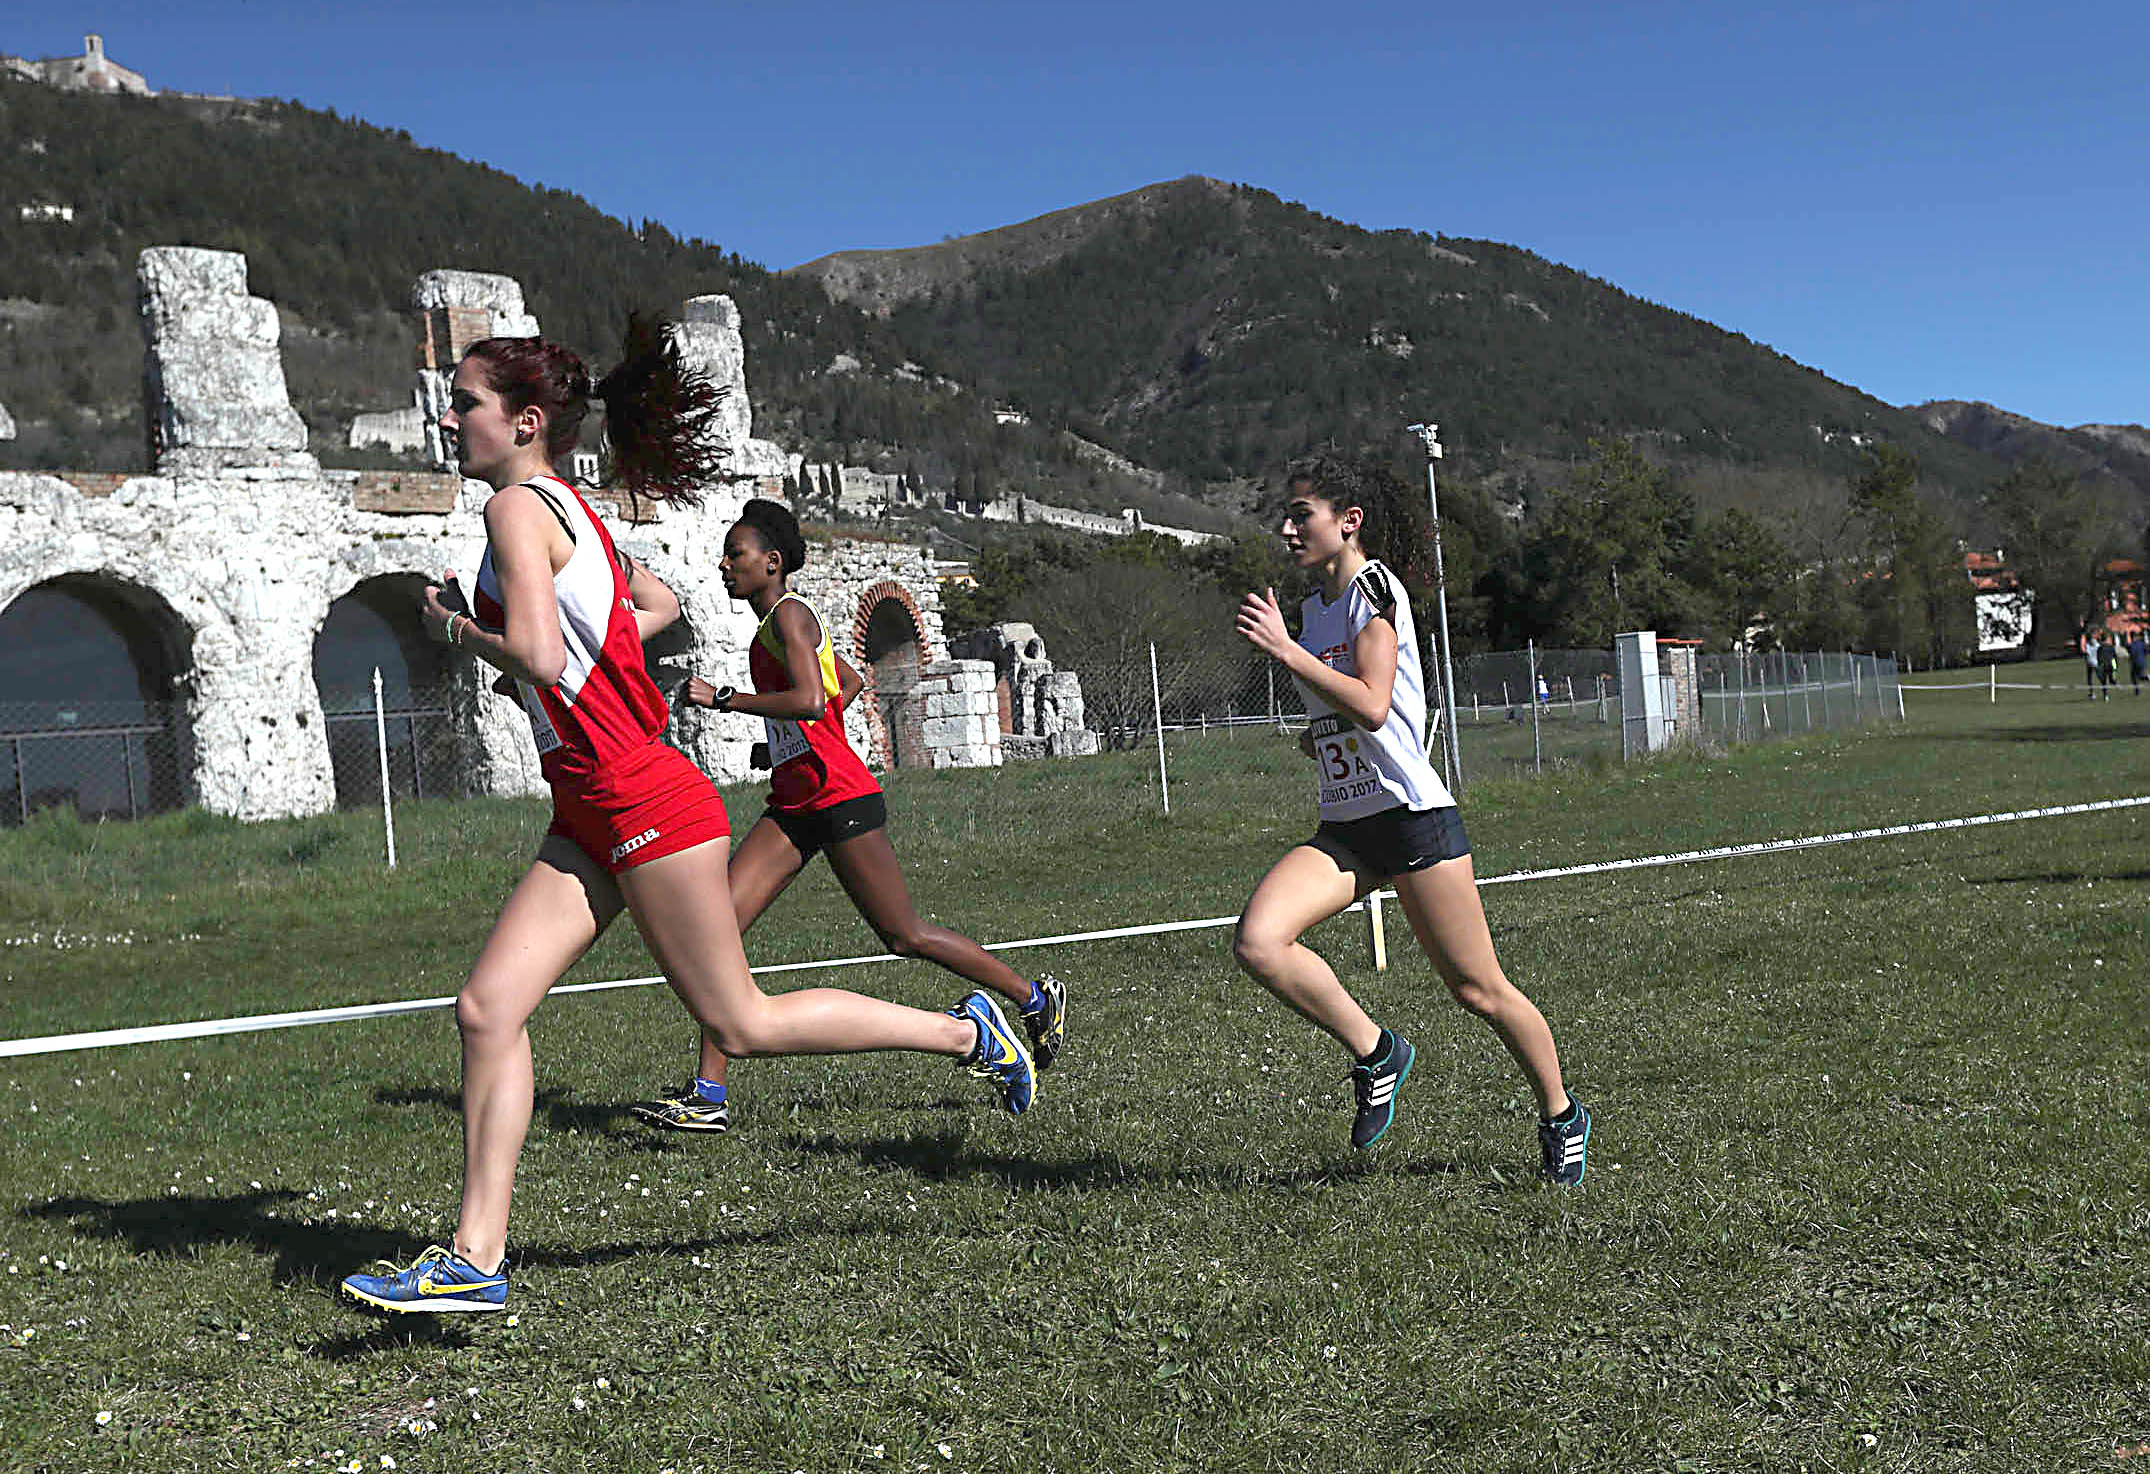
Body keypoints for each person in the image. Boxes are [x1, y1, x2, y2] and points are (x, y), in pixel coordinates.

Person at [339, 322, 1036, 1316]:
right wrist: (551, 656)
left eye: (465, 402)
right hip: (588, 803)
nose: (447, 418)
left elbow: (539, 654)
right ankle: (474, 1261)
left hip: (640, 798)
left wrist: (456, 627)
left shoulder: (514, 508)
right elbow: (651, 605)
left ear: (525, 421)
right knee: (488, 1008)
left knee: (738, 1023)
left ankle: (968, 1034)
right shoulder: (571, 508)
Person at [630, 497, 1066, 1134]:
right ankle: (708, 1095)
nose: (724, 564)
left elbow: (811, 699)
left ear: (772, 562)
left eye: (735, 554)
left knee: (903, 935)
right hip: (795, 802)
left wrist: (727, 699)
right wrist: (786, 743)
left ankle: (1030, 999)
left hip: (839, 800)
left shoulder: (790, 615)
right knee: (718, 931)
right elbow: (845, 688)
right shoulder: (775, 624)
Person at [1230, 454, 1589, 1181]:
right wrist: (1318, 734)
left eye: (1301, 515)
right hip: (1348, 825)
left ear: (1348, 521)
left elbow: (1371, 701)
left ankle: (1562, 1114)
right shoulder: (1316, 608)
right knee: (1259, 942)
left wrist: (1287, 653)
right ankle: (1378, 1051)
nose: (1288, 530)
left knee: (1478, 990)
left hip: (1410, 818)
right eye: (1287, 517)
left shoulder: (1372, 589)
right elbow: (1359, 714)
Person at [2097, 630, 2119, 697]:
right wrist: (2115, 667)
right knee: (2111, 679)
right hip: (2111, 665)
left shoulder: (2100, 648)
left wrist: (2100, 666)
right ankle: (2115, 683)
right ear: (2106, 639)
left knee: (2104, 682)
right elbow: (2114, 657)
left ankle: (2105, 695)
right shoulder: (2111, 647)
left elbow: (2099, 658)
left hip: (2104, 665)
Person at [2083, 627, 2102, 699]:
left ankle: (2092, 693)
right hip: (2094, 663)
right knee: (2094, 678)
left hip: (2092, 663)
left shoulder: (2090, 644)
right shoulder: (2096, 644)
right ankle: (2093, 693)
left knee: (2091, 678)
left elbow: (2087, 654)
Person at [2128, 630, 2147, 696]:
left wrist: (2130, 659)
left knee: (2134, 676)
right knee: (2140, 676)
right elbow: (2146, 651)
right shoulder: (2141, 643)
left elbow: (2132, 654)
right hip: (2142, 662)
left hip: (2136, 663)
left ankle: (2137, 690)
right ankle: (2147, 677)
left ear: (2131, 637)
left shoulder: (2132, 645)